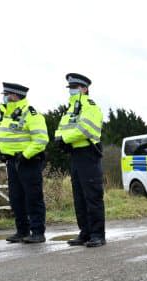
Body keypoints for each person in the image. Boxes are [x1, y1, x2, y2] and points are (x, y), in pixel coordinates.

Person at [0, 82, 49, 243]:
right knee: (16, 198)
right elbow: (2, 137)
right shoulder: (7, 114)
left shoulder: (31, 114)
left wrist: (25, 155)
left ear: (15, 96)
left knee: (33, 197)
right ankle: (22, 231)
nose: (4, 98)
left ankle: (38, 232)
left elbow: (41, 139)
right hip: (12, 162)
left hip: (28, 162)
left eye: (6, 94)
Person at [55, 73, 105, 247]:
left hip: (88, 154)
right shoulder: (70, 109)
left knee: (92, 196)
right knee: (79, 197)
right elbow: (60, 129)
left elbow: (85, 129)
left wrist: (65, 139)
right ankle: (85, 232)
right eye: (70, 88)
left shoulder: (90, 106)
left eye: (75, 88)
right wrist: (60, 139)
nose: (72, 91)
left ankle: (98, 235)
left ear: (84, 89)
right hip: (75, 155)